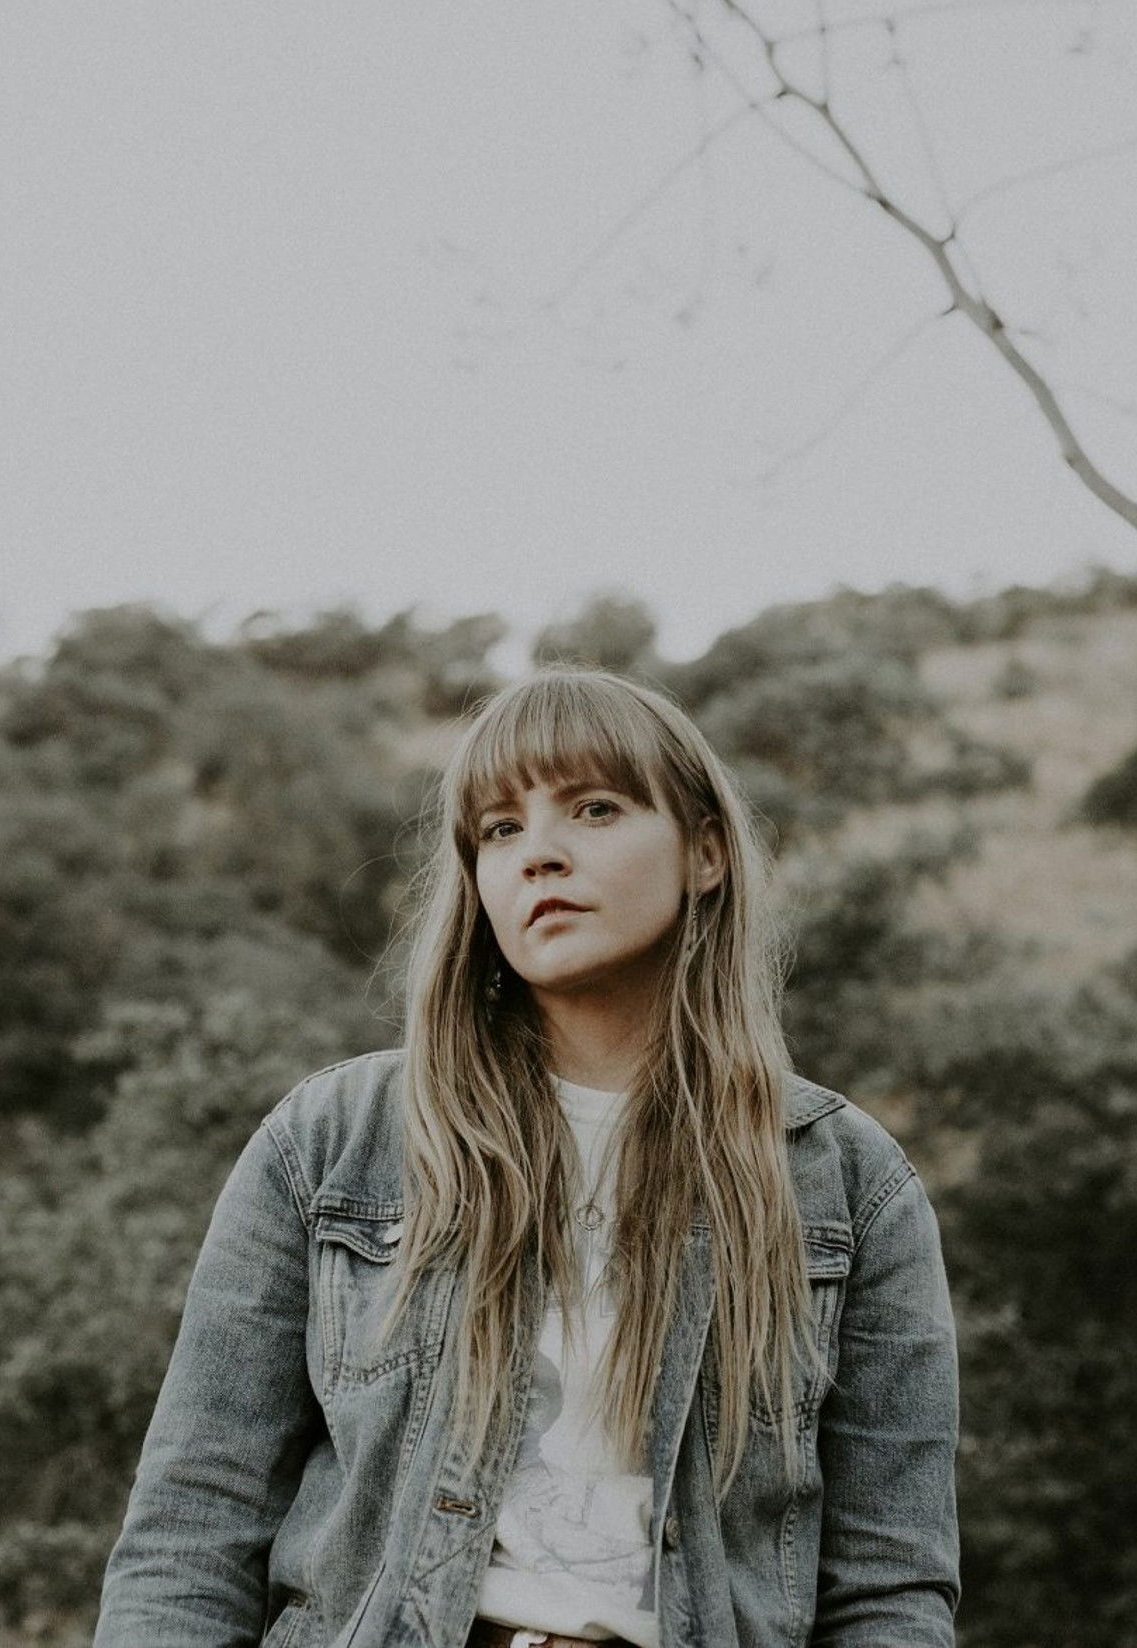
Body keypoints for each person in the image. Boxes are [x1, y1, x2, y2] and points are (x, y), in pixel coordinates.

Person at [94, 668, 960, 1648]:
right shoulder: (330, 1143)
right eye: (500, 829)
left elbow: (890, 1588)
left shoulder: (848, 1186)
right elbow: (192, 1529)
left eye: (594, 809)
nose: (538, 854)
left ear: (705, 853)